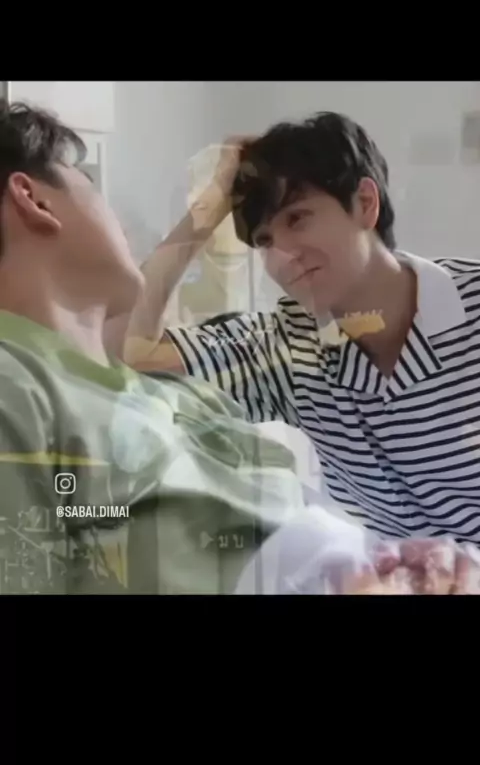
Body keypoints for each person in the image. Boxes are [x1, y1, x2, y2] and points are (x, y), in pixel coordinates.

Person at [115, 111, 480, 547]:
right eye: (265, 241)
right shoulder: (288, 347)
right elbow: (131, 354)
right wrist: (207, 208)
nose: (282, 255)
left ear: (365, 204)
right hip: (403, 575)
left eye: (297, 218)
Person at [0, 100, 307, 595]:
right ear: (34, 200)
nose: (118, 219)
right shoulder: (16, 391)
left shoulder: (178, 397)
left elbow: (127, 346)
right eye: (89, 183)